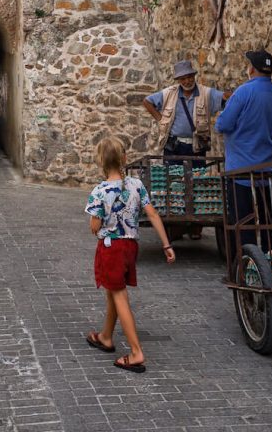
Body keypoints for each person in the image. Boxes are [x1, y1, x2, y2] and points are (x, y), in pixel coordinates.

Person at [84, 137, 175, 374]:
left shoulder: (99, 191)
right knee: (113, 291)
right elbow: (152, 214)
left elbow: (94, 226)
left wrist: (101, 222)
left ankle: (136, 352)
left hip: (111, 248)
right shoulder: (136, 185)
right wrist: (166, 245)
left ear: (100, 162)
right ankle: (105, 336)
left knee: (119, 295)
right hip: (130, 247)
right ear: (124, 158)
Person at [215, 49, 272, 264]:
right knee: (269, 221)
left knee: (242, 222)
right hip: (269, 169)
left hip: (241, 169)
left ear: (251, 69)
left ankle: (244, 265)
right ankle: (271, 262)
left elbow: (223, 124)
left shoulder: (243, 92)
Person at [142, 59, 226, 238]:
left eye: (189, 77)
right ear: (178, 80)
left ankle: (196, 227)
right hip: (174, 146)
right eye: (183, 78)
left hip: (196, 146)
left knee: (197, 184)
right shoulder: (169, 93)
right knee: (174, 184)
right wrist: (161, 120)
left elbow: (227, 98)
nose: (187, 81)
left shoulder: (206, 93)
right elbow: (147, 101)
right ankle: (175, 225)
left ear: (194, 76)